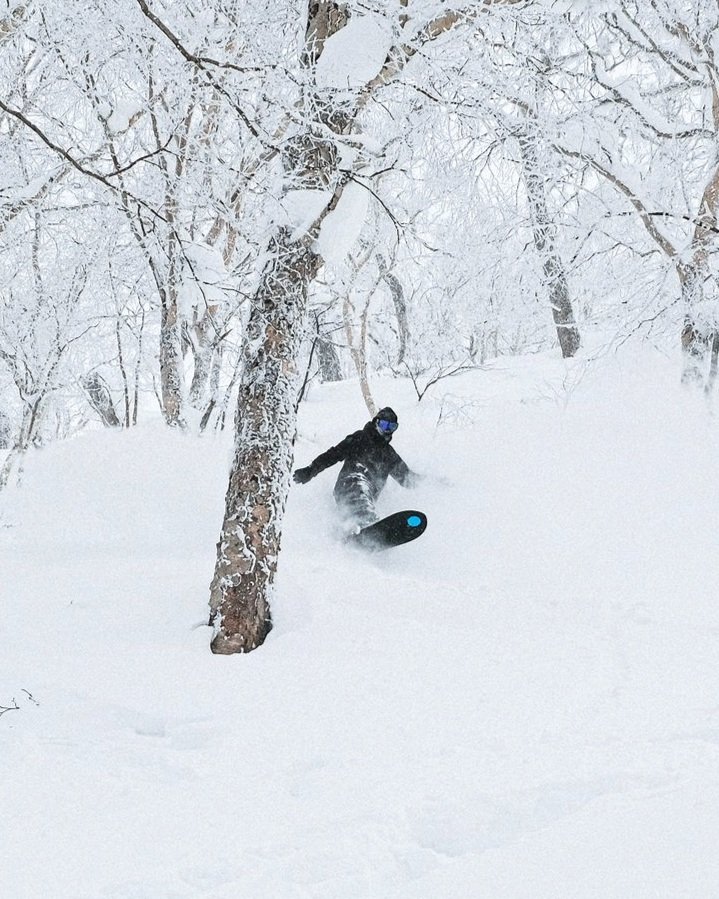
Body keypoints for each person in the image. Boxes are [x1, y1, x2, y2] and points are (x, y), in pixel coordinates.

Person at [293, 406, 420, 530]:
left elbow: (408, 479)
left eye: (392, 427)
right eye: (384, 425)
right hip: (350, 483)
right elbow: (333, 455)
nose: (387, 430)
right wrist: (310, 470)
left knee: (364, 500)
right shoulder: (360, 438)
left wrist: (434, 485)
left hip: (369, 496)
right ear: (376, 422)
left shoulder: (390, 455)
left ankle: (356, 533)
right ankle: (365, 522)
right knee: (359, 491)